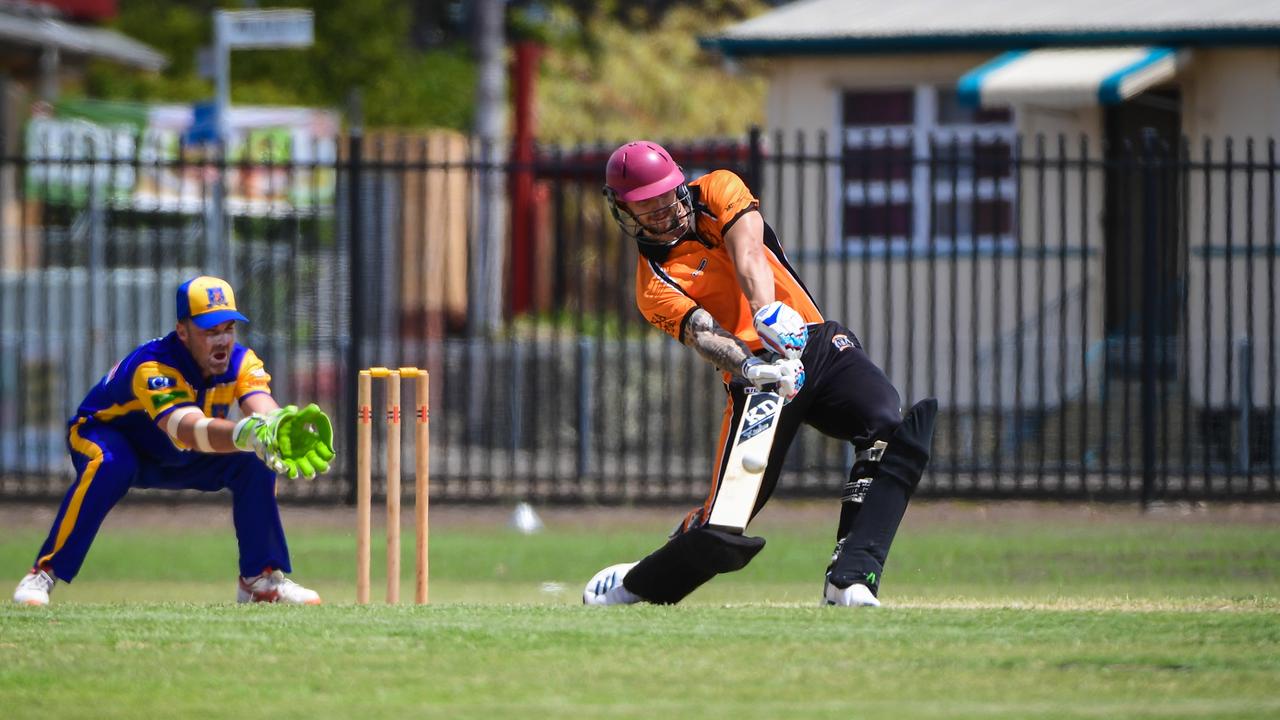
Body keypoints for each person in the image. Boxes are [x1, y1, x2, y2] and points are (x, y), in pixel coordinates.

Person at [583, 141, 937, 607]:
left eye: (664, 201)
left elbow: (749, 250)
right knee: (725, 523)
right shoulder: (653, 284)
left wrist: (766, 311)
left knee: (886, 425)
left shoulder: (718, 188)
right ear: (624, 213)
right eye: (645, 210)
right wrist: (753, 365)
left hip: (813, 341)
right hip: (759, 377)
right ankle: (636, 584)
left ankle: (850, 577)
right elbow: (704, 335)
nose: (661, 216)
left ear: (679, 186)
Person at [12, 276, 335, 606]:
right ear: (183, 331)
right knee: (110, 464)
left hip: (179, 454)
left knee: (254, 458)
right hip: (111, 437)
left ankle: (260, 581)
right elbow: (185, 429)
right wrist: (245, 434)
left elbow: (260, 404)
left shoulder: (242, 361)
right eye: (210, 331)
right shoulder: (153, 365)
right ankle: (43, 573)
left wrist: (277, 425)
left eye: (228, 328)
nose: (222, 340)